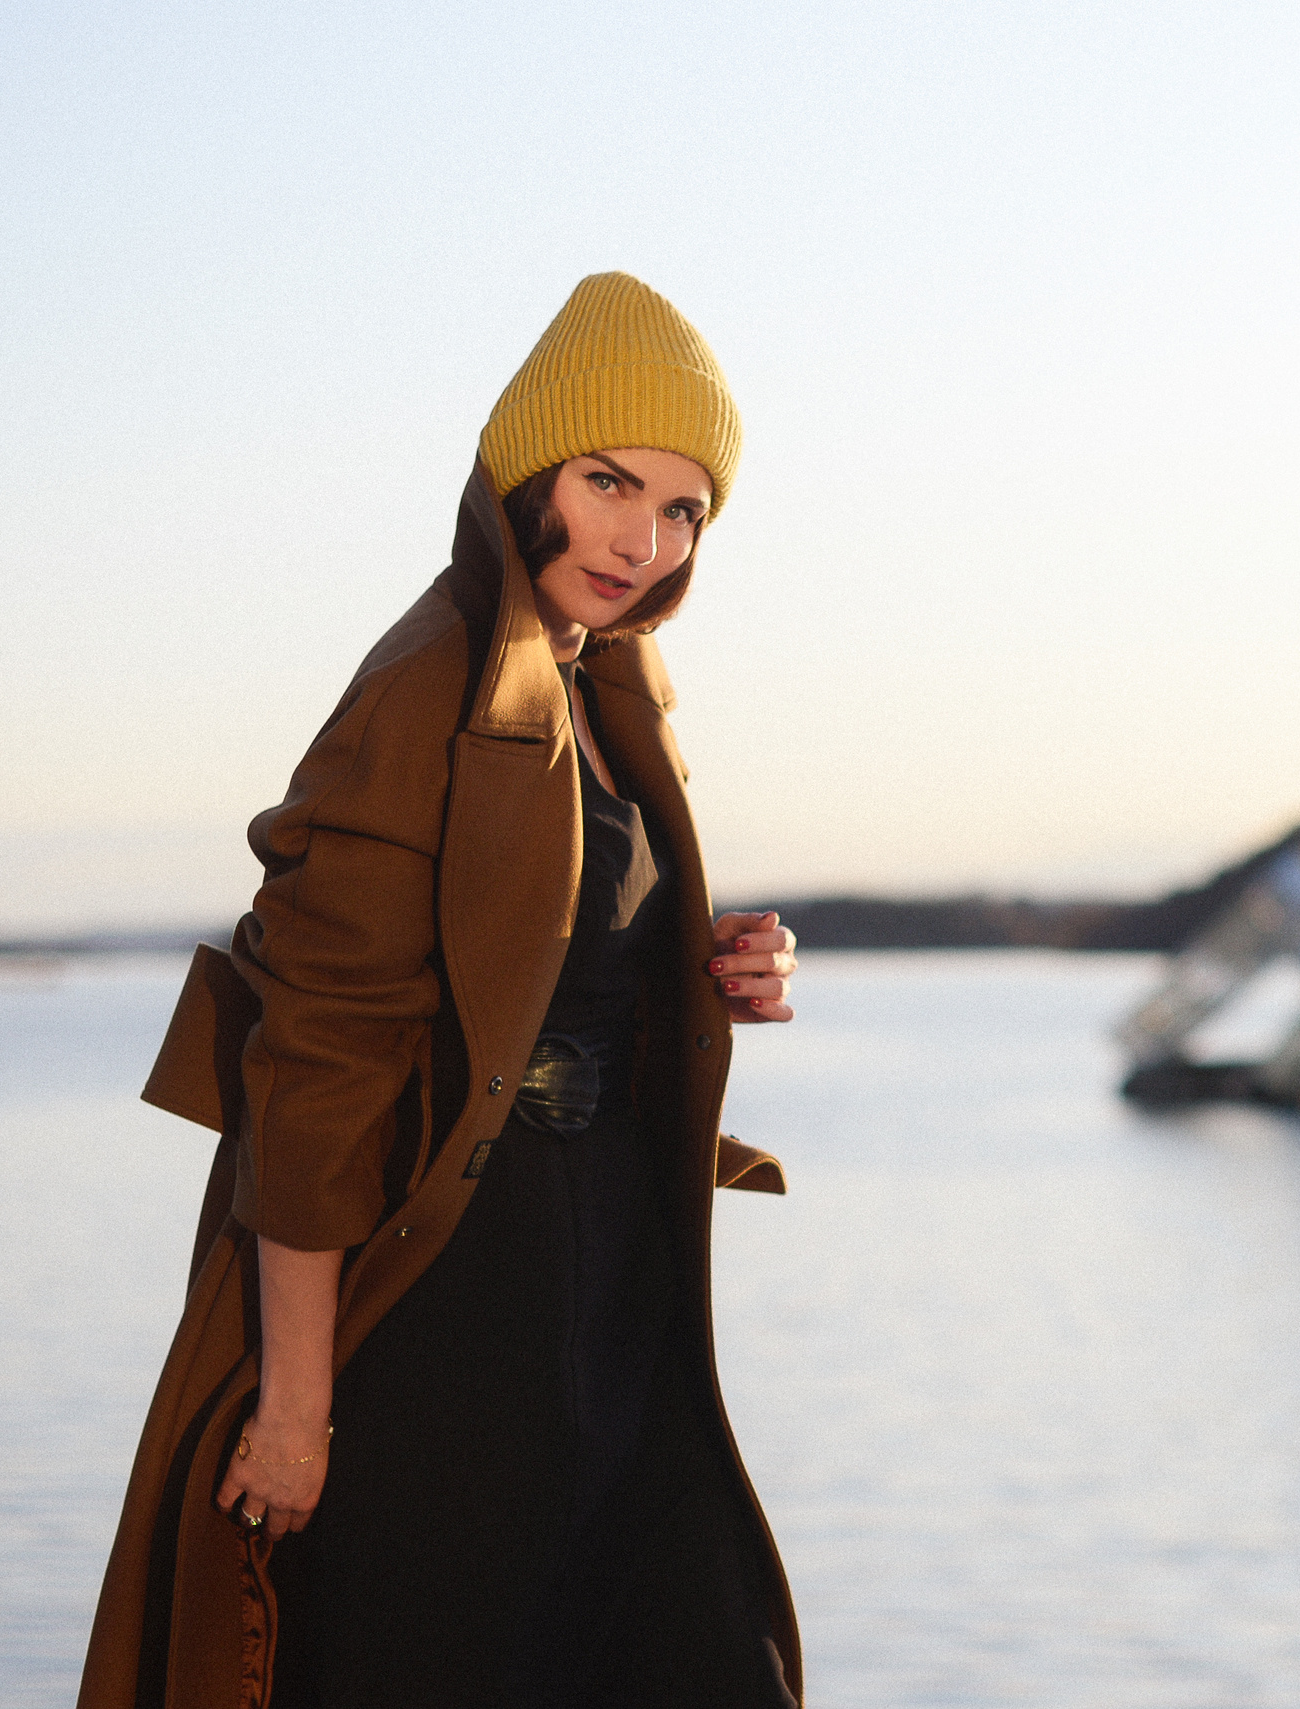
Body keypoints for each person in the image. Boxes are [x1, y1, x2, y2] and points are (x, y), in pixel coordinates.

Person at [78, 273, 804, 1709]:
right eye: (609, 482)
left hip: (619, 1280)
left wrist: (712, 970)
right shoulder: (426, 685)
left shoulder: (609, 688)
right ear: (528, 467)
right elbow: (315, 1063)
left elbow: (545, 953)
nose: (641, 538)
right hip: (454, 1292)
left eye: (681, 509)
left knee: (701, 1655)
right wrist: (294, 1407)